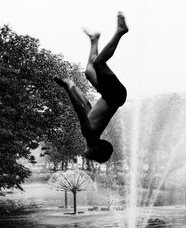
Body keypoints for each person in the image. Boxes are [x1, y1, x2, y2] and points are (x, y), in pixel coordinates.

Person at [54, 11, 129, 163]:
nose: (90, 159)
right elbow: (79, 110)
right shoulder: (89, 133)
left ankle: (94, 40)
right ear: (96, 150)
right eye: (95, 158)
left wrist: (73, 87)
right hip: (114, 95)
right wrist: (68, 88)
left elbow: (86, 105)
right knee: (98, 64)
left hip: (112, 95)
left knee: (89, 71)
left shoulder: (93, 132)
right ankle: (121, 31)